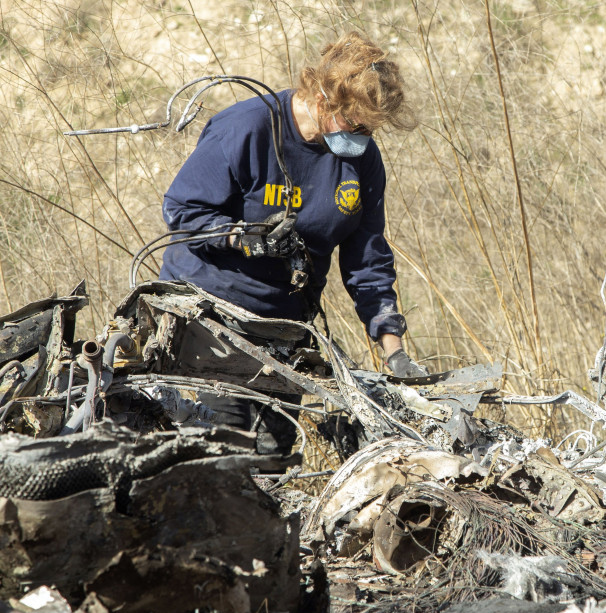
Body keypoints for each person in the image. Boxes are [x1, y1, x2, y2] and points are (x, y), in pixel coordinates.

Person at [158, 31, 425, 456]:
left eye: (369, 129)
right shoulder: (246, 127)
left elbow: (367, 257)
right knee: (220, 457)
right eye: (354, 125)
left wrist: (393, 349)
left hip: (285, 328)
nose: (360, 137)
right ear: (324, 98)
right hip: (209, 319)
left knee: (273, 457)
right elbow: (183, 213)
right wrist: (242, 238)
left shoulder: (362, 159)